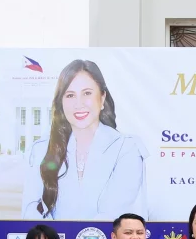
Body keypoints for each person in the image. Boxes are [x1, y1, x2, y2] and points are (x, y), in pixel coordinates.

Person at [22, 59, 147, 220]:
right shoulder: (40, 149)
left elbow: (114, 211)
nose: (78, 104)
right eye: (70, 95)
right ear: (61, 102)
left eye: (87, 93)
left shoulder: (126, 148)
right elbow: (31, 210)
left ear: (102, 98)